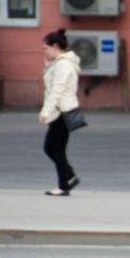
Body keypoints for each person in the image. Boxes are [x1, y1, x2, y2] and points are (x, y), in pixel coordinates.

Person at [39, 28, 81, 197]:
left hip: (63, 111)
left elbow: (55, 90)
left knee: (54, 148)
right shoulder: (62, 63)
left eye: (46, 48)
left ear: (55, 46)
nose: (45, 51)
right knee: (53, 148)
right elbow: (51, 84)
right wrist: (47, 65)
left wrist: (45, 112)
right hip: (65, 110)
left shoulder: (63, 64)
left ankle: (64, 185)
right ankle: (69, 177)